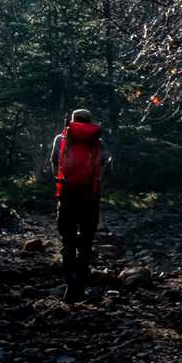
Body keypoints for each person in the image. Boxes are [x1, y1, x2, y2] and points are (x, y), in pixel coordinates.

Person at [49, 108, 105, 301]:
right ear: (90, 122)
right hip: (90, 198)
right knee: (86, 243)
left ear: (72, 121)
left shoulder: (61, 139)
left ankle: (70, 286)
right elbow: (105, 166)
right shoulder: (98, 141)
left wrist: (60, 182)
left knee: (68, 241)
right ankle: (80, 285)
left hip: (67, 196)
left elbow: (54, 162)